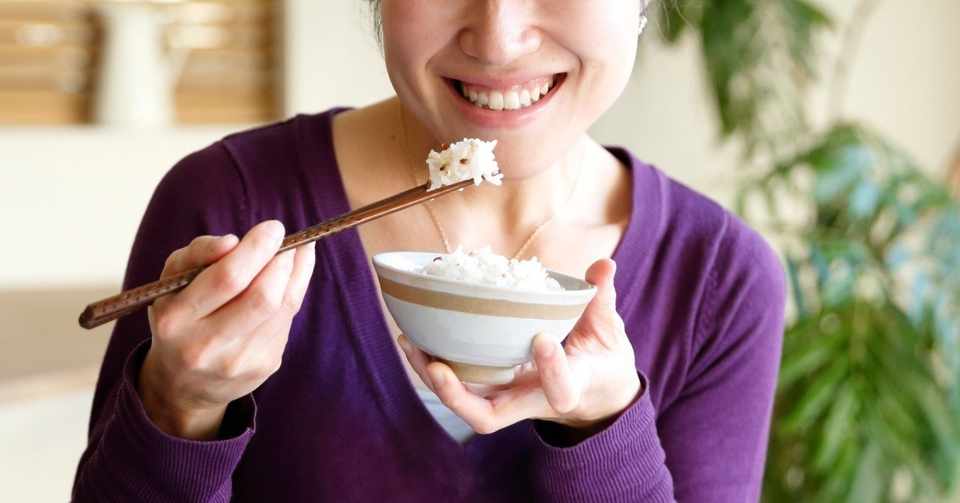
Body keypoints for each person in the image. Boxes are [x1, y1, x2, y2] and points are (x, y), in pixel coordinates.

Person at [72, 1, 785, 501]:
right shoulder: (226, 203)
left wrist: (606, 431)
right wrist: (179, 405)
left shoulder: (719, 280)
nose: (498, 37)